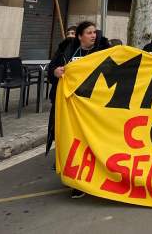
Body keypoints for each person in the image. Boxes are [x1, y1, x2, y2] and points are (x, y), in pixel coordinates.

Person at [47, 21, 110, 199]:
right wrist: (56, 72)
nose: (93, 35)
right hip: (69, 108)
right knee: (73, 143)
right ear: (80, 36)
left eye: (94, 32)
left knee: (90, 143)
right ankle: (77, 182)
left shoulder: (102, 51)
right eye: (89, 33)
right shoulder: (67, 51)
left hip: (92, 108)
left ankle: (94, 177)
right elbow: (52, 69)